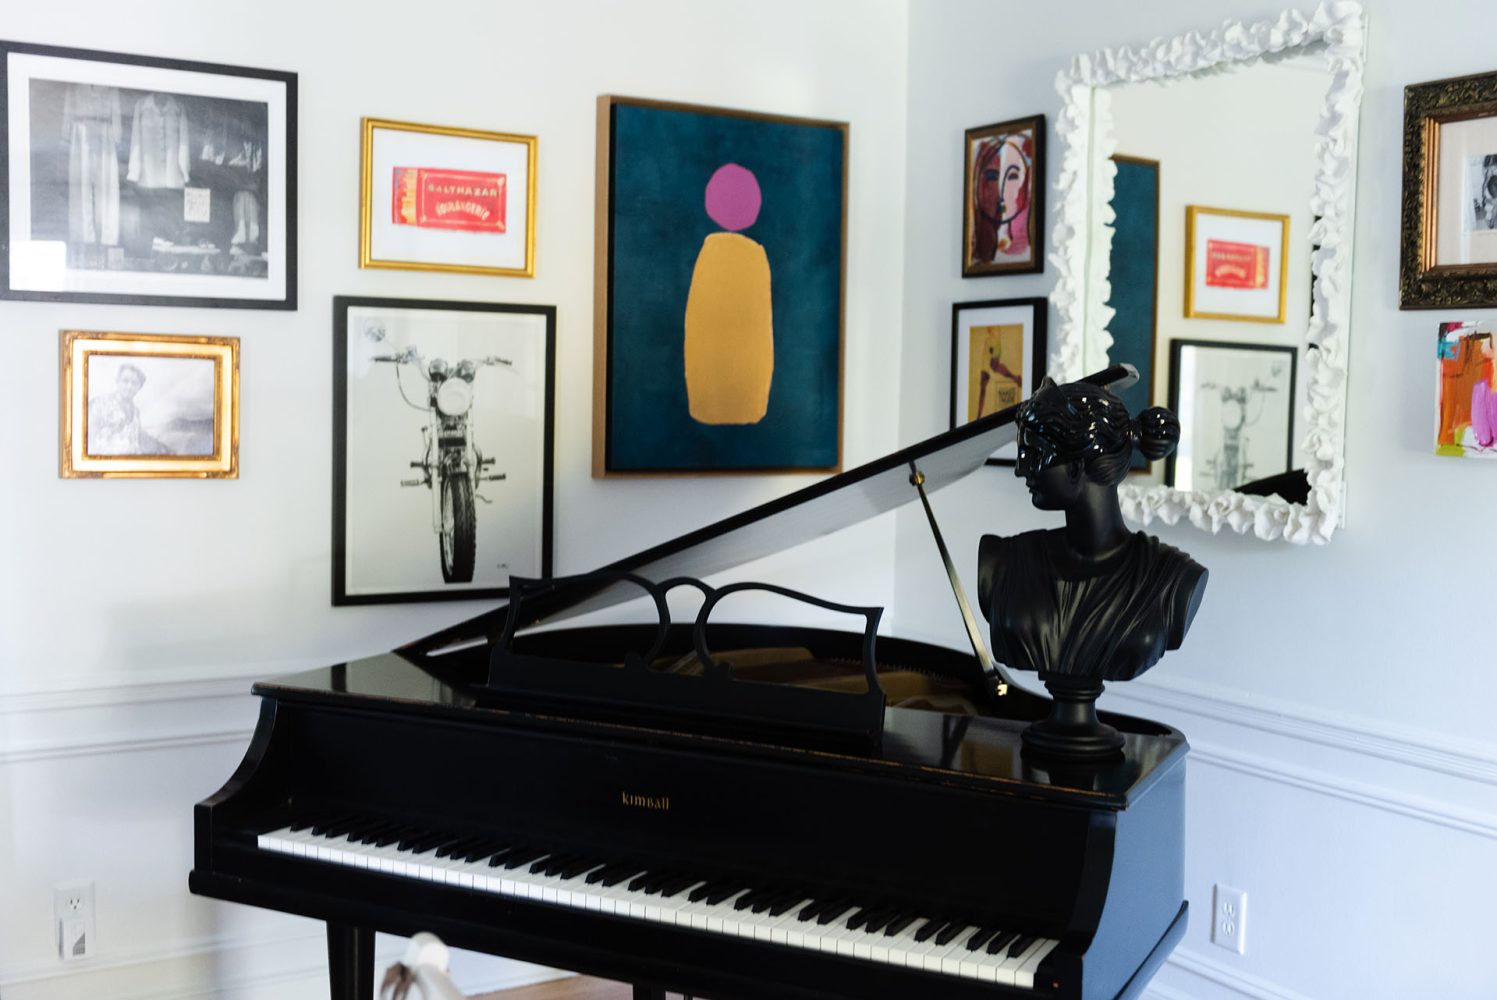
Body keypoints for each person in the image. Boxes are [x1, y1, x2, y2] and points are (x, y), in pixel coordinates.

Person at [978, 378, 1208, 686]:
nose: (1021, 469)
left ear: (1076, 468)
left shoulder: (1175, 580)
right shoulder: (1000, 561)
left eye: (1034, 454)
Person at [88, 362, 166, 455]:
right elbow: (87, 438)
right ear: (117, 381)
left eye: (134, 383)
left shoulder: (136, 412)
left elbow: (136, 442)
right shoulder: (99, 403)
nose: (129, 387)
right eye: (125, 381)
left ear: (139, 388)